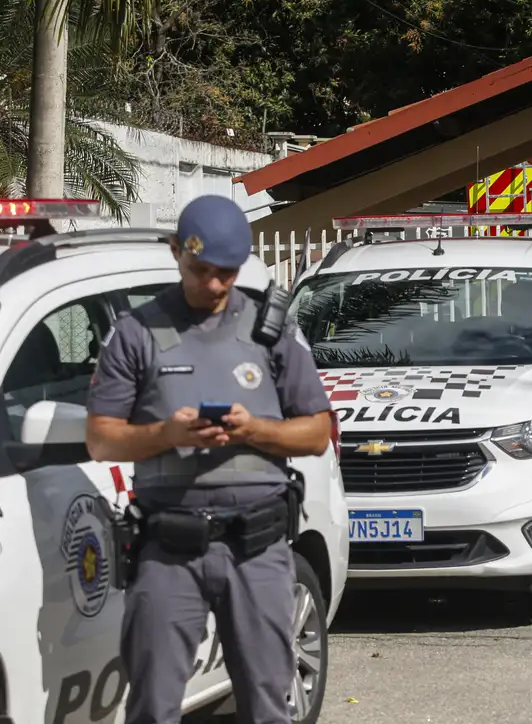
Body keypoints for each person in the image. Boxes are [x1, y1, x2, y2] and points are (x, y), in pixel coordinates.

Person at [85, 195, 332, 724]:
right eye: (201, 271)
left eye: (227, 273)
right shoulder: (137, 333)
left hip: (258, 549)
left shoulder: (270, 332)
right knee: (153, 705)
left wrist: (254, 429)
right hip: (169, 549)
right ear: (176, 252)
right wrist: (166, 432)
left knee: (270, 703)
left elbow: (317, 433)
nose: (215, 285)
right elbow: (102, 439)